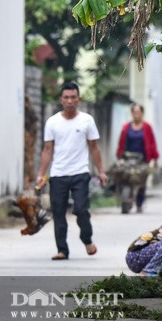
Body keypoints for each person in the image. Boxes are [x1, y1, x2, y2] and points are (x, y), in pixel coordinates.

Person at [36, 82, 108, 261]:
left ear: (79, 99)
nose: (69, 101)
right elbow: (47, 149)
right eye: (66, 97)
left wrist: (101, 171)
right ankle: (62, 250)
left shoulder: (86, 120)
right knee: (58, 213)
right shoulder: (52, 122)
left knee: (82, 210)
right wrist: (41, 175)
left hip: (80, 173)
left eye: (73, 97)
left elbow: (94, 147)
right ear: (61, 100)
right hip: (58, 174)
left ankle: (87, 239)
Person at [115, 103, 159, 213]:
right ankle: (124, 199)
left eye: (138, 113)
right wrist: (119, 155)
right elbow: (121, 142)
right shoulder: (126, 127)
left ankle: (139, 203)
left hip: (142, 159)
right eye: (134, 113)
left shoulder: (147, 127)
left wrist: (155, 158)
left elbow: (152, 143)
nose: (136, 115)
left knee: (141, 179)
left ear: (142, 114)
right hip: (127, 157)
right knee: (122, 175)